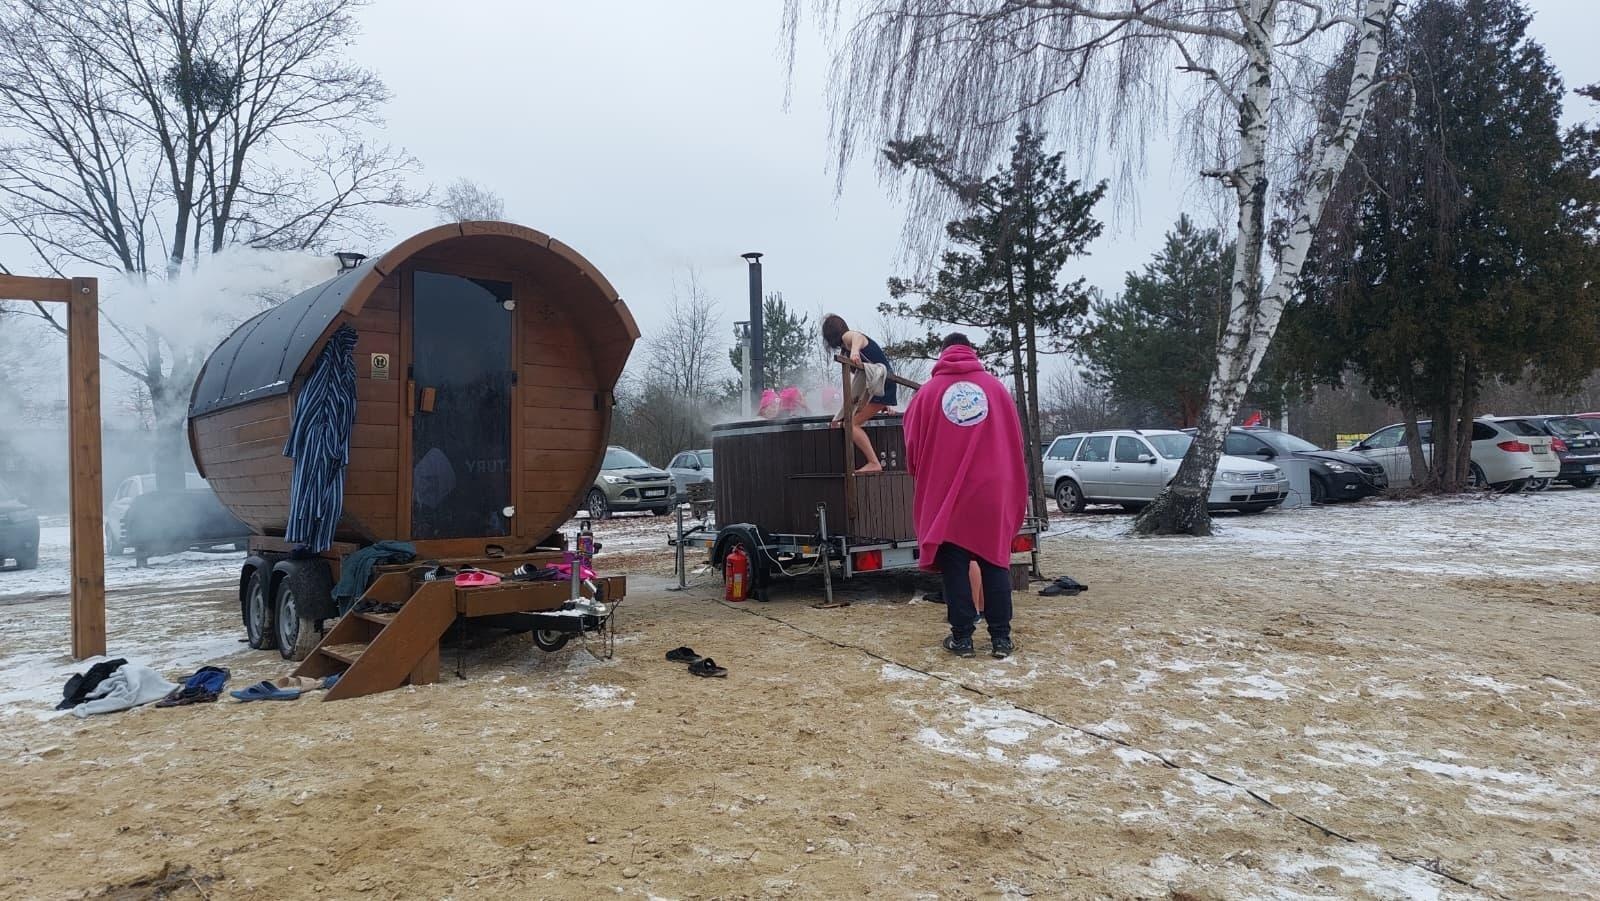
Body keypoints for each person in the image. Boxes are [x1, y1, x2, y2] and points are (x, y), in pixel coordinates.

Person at [903, 333, 1027, 659]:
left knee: (955, 567)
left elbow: (912, 449)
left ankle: (963, 638)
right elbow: (1015, 441)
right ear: (971, 352)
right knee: (995, 561)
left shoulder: (927, 394)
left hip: (949, 494)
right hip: (992, 491)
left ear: (943, 354)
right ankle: (1001, 638)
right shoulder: (996, 389)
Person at [821, 314, 896, 473]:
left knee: (851, 424)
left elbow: (857, 337)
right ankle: (873, 462)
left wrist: (855, 351)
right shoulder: (845, 351)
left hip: (883, 387)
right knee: (850, 419)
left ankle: (874, 463)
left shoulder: (848, 338)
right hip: (882, 387)